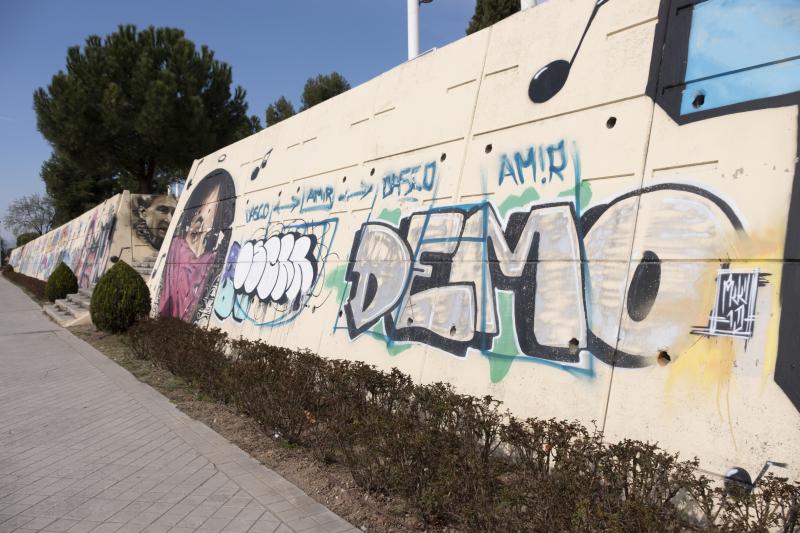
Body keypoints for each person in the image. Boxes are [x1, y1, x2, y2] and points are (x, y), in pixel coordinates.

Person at [158, 169, 235, 322]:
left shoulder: (211, 259)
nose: (201, 216)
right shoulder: (177, 247)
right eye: (198, 211)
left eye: (210, 211)